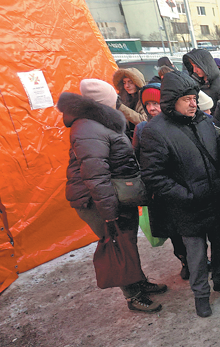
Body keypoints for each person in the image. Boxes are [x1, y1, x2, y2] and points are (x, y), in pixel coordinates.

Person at [138, 71, 220, 319]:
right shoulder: (156, 131)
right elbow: (154, 176)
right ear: (172, 102)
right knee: (196, 256)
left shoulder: (203, 121)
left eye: (194, 99)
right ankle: (201, 296)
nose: (193, 104)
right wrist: (187, 196)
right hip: (188, 207)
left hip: (216, 199)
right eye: (186, 99)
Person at [57, 78, 166, 313]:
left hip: (114, 195)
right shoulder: (87, 128)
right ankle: (133, 295)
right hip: (98, 201)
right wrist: (109, 213)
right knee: (118, 244)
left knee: (127, 241)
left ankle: (138, 281)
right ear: (104, 102)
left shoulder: (98, 123)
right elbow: (95, 175)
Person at [133, 83, 190, 281]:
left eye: (156, 103)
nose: (152, 108)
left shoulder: (179, 124)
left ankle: (198, 259)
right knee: (174, 230)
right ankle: (184, 260)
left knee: (190, 227)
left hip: (184, 184)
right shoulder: (142, 129)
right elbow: (137, 158)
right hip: (162, 190)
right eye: (147, 104)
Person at [112, 67, 146, 139]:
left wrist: (120, 107)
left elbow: (143, 120)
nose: (127, 86)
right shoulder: (123, 98)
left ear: (137, 82)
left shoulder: (145, 97)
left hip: (143, 137)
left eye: (130, 82)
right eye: (124, 83)